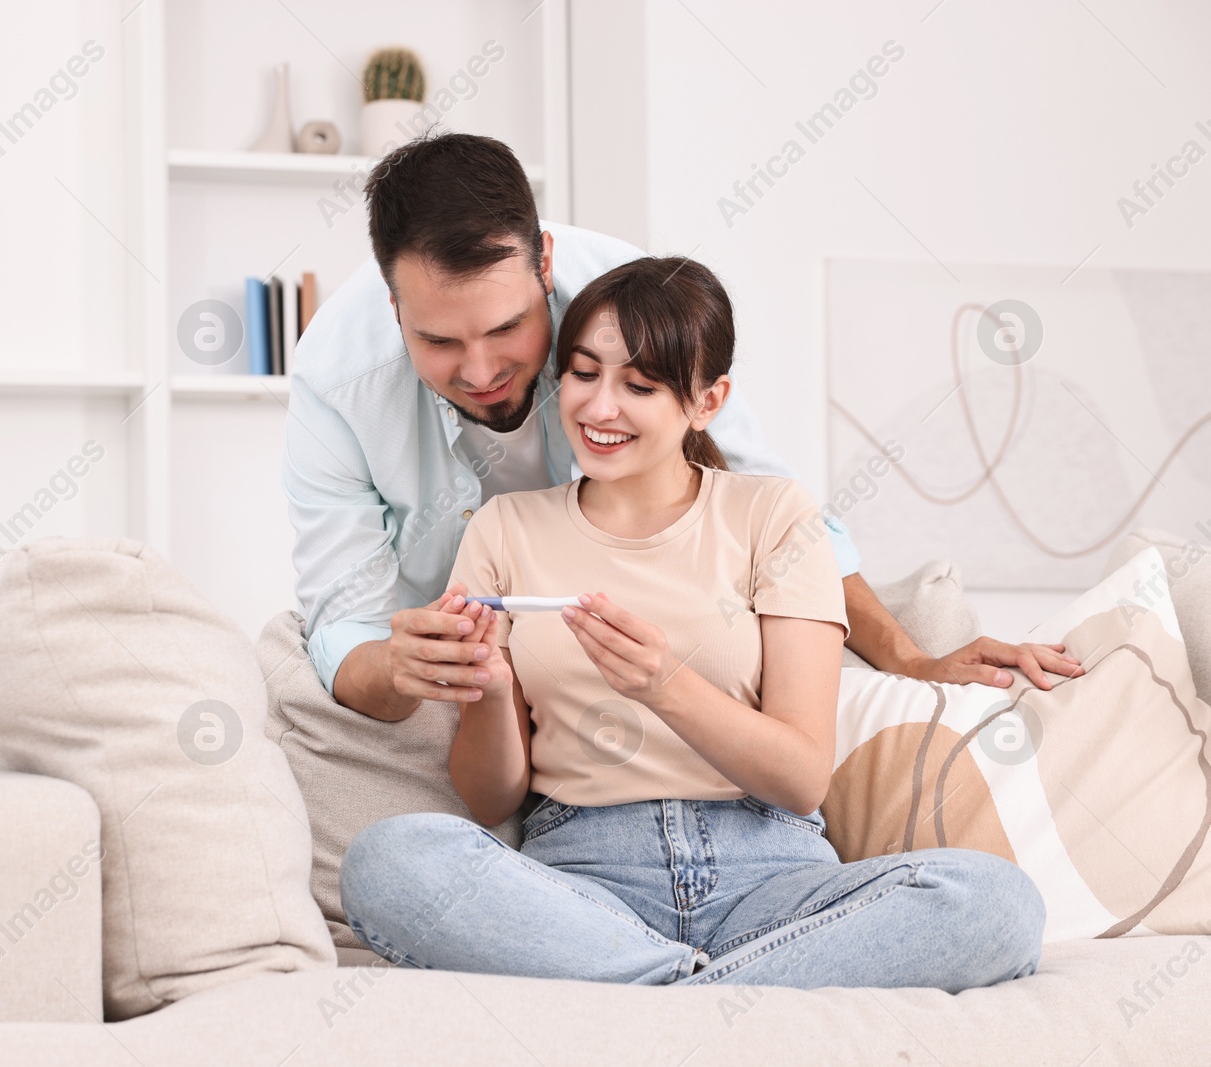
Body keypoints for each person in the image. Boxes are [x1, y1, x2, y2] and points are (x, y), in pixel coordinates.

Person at [335, 256, 1048, 988]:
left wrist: (664, 683)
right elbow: (490, 800)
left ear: (708, 402)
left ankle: (653, 991)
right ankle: (721, 992)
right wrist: (487, 689)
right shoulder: (503, 529)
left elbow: (802, 779)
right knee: (387, 860)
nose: (599, 408)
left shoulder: (775, 516)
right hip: (585, 887)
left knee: (997, 902)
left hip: (771, 874)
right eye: (583, 373)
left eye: (639, 386)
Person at [282, 131, 1082, 724]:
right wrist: (399, 667)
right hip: (480, 691)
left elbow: (772, 509)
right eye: (439, 341)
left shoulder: (626, 303)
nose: (484, 368)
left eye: (508, 328)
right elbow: (343, 622)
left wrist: (912, 659)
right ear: (394, 311)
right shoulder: (336, 381)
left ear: (546, 265)